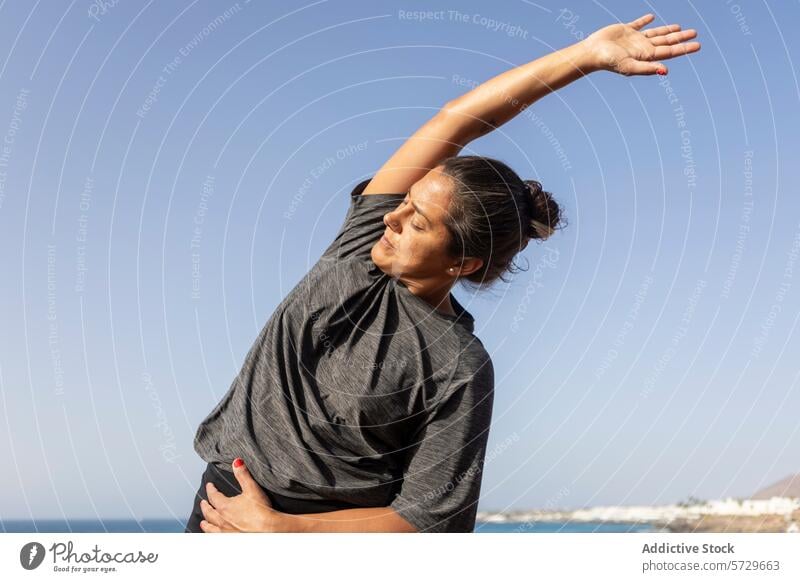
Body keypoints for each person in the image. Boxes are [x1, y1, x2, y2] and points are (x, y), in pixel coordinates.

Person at [185, 13, 700, 533]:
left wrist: (283, 532)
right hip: (220, 510)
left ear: (463, 263)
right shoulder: (361, 246)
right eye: (404, 201)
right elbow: (457, 120)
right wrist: (585, 56)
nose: (391, 217)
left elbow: (431, 521)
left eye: (418, 222)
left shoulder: (458, 367)